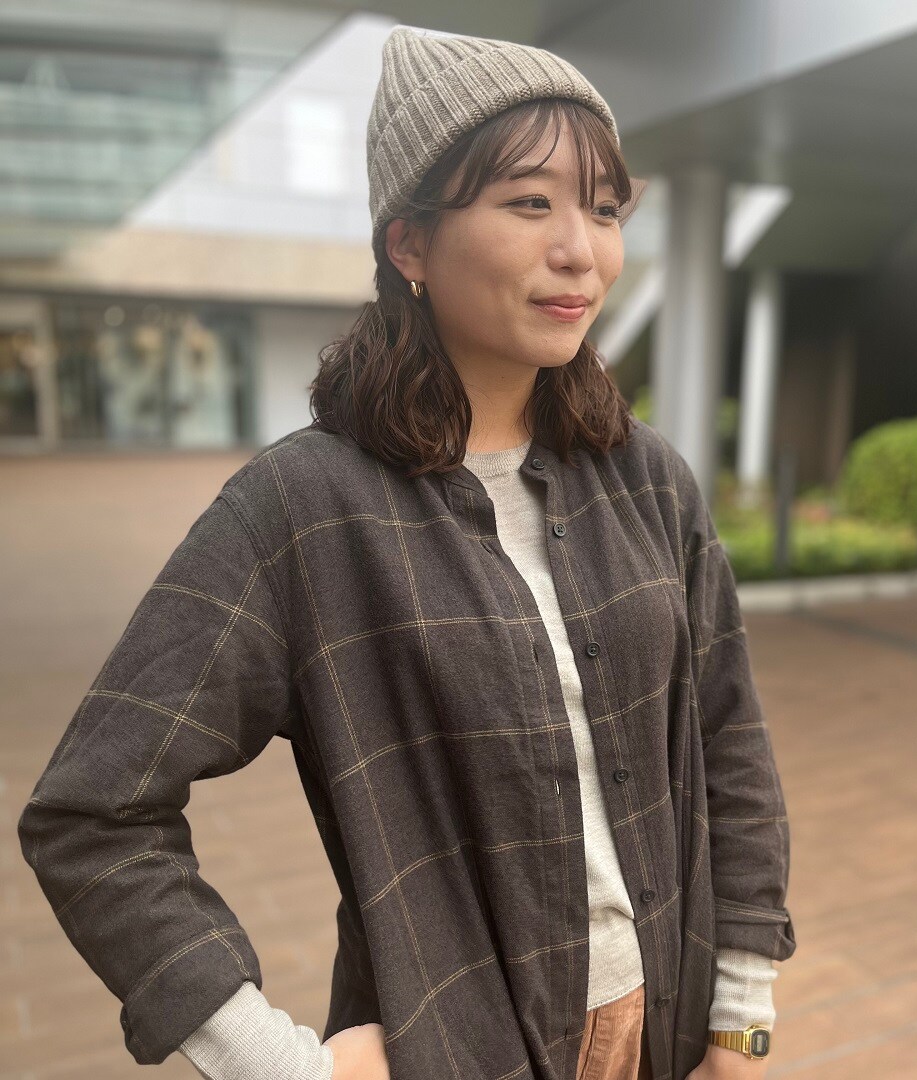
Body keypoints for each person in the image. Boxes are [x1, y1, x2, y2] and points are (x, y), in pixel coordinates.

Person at [17, 24, 795, 1080]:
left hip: (673, 1027)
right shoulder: (304, 507)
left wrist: (743, 1016)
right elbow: (93, 813)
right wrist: (279, 1064)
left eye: (606, 209)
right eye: (531, 203)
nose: (582, 250)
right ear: (410, 246)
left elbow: (728, 738)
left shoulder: (646, 477)